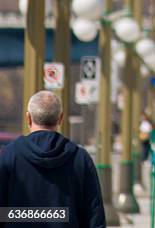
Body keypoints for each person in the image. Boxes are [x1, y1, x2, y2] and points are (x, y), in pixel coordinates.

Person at [0, 90, 105, 228]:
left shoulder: (8, 156)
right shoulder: (80, 158)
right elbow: (94, 217)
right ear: (60, 119)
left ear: (28, 118)